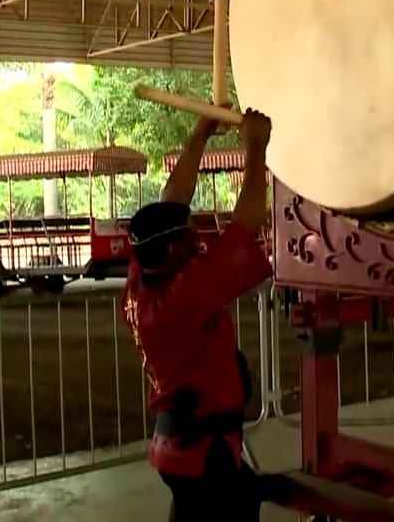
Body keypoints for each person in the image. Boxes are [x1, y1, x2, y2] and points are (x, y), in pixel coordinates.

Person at [121, 108, 281, 521]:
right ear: (174, 249)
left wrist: (200, 133)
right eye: (190, 233)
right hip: (202, 453)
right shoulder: (182, 297)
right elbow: (245, 225)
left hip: (181, 447)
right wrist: (256, 146)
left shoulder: (144, 274)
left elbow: (172, 198)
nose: (197, 236)